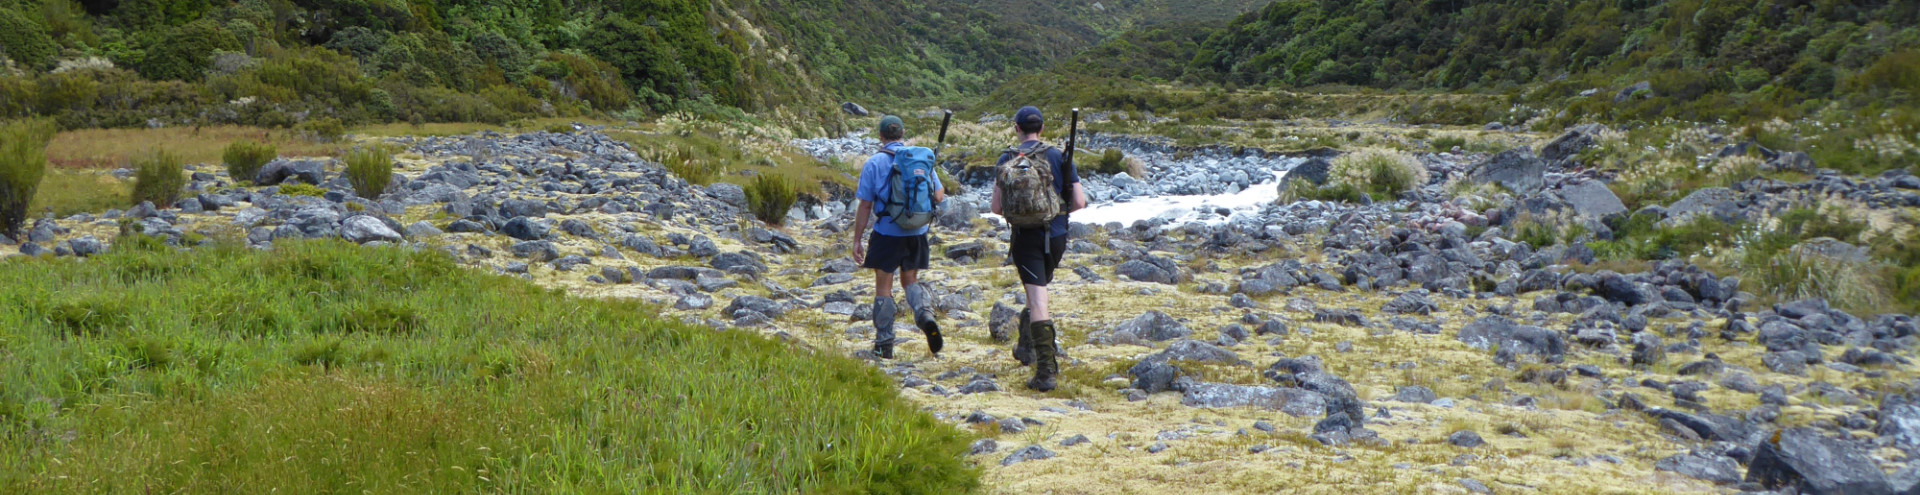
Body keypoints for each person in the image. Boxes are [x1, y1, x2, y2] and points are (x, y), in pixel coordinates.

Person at [992, 106, 1087, 392]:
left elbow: (996, 207)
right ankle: (1026, 346)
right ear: (1042, 129)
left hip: (1024, 238)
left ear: (1016, 129)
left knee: (1038, 300)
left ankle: (1046, 371)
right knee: (1038, 294)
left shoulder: (1008, 158)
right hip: (1055, 236)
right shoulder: (1058, 156)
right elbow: (1080, 202)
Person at [851, 115, 947, 360]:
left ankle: (884, 344)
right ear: (903, 134)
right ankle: (925, 315)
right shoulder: (921, 159)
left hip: (886, 233)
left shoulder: (874, 163)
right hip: (917, 232)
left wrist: (857, 239)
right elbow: (938, 196)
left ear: (881, 136)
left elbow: (865, 206)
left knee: (884, 287)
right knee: (910, 281)